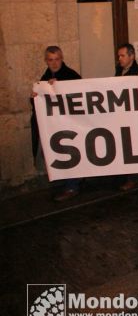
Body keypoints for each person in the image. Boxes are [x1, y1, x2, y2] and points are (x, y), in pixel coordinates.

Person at [32, 46, 83, 201]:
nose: (54, 63)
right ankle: (71, 182)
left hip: (70, 125)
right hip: (56, 126)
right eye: (50, 60)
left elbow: (81, 95)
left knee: (70, 153)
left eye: (57, 59)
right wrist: (35, 96)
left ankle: (72, 185)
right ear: (46, 61)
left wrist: (61, 86)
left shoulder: (71, 75)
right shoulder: (46, 76)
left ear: (62, 59)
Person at [116, 43, 138, 191]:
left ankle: (135, 176)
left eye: (123, 56)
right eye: (119, 56)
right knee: (128, 145)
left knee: (135, 145)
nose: (120, 59)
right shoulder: (119, 71)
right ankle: (137, 174)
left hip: (137, 117)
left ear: (132, 56)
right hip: (125, 115)